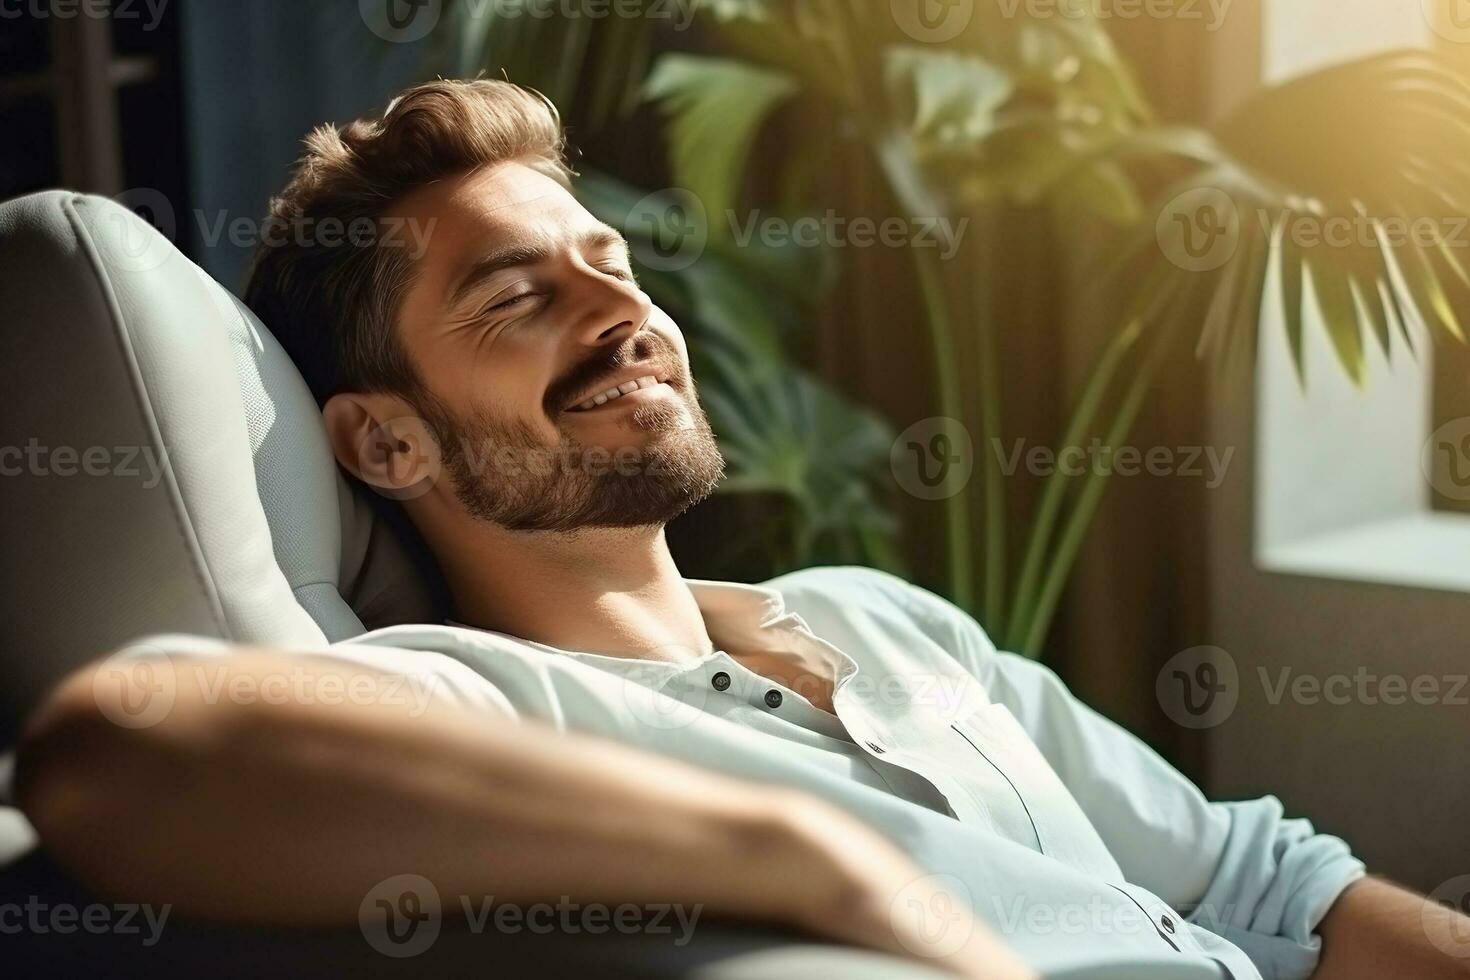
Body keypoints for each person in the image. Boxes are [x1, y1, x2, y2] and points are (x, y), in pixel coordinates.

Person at [16, 79, 1469, 980]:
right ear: (387, 439)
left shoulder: (883, 616)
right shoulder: (487, 703)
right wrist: (806, 853)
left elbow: (1268, 884)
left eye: (613, 264)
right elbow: (116, 748)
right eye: (519, 297)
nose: (625, 315)